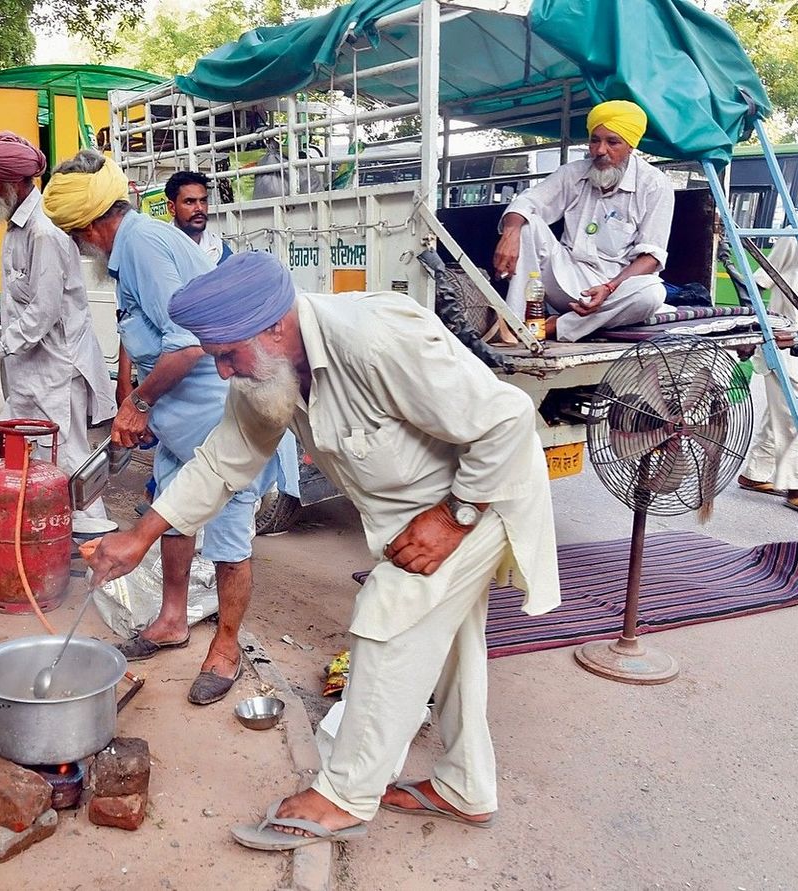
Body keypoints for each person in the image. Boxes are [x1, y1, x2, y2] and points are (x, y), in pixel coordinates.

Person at [85, 252, 560, 850]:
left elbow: (509, 420)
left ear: (274, 327)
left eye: (228, 355)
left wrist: (454, 517)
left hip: (478, 497)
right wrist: (140, 536)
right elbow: (222, 461)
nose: (225, 373)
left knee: (388, 622)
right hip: (415, 519)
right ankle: (465, 787)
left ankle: (344, 796)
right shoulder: (266, 372)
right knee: (449, 649)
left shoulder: (377, 337)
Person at [42, 150, 286, 705]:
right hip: (180, 415)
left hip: (218, 411)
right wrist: (141, 401)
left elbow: (187, 344)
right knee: (173, 516)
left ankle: (225, 649)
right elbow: (146, 339)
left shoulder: (143, 244)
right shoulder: (133, 247)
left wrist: (139, 405)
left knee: (227, 531)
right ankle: (171, 619)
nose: (80, 244)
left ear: (91, 225)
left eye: (76, 234)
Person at [0, 132, 117, 520]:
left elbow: (42, 315)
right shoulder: (16, 228)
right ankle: (41, 541)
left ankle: (97, 548)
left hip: (57, 373)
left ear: (14, 181)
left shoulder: (45, 233)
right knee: (20, 456)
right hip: (30, 373)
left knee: (68, 463)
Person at [492, 100, 673, 342]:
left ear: (631, 146)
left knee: (651, 293)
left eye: (612, 142)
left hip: (613, 289)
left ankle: (556, 326)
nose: (599, 151)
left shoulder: (654, 184)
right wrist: (511, 232)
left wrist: (609, 287)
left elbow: (652, 257)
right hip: (564, 277)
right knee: (526, 223)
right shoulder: (573, 173)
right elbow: (529, 201)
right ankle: (515, 325)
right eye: (594, 140)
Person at [738, 238, 798, 509]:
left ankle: (756, 473)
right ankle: (795, 486)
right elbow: (760, 279)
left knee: (781, 409)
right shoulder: (793, 235)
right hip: (787, 334)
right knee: (790, 412)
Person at [165, 171, 233, 265]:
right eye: (189, 202)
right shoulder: (162, 249)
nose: (199, 208)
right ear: (172, 208)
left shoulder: (219, 250)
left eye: (203, 201)